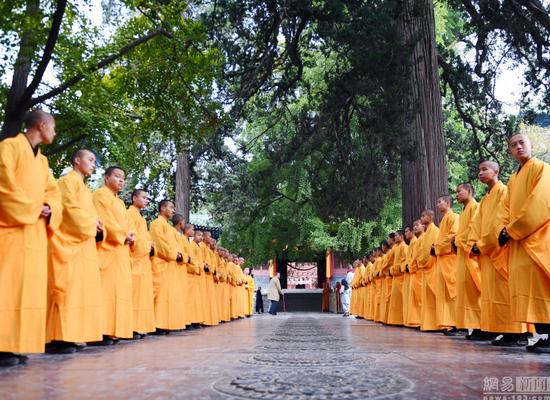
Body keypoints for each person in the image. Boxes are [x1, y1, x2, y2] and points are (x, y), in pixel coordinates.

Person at [0, 110, 62, 366]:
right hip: (12, 229)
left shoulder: (44, 162)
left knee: (30, 290)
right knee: (8, 286)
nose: (55, 133)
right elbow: (4, 183)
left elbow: (53, 192)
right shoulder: (10, 146)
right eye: (53, 127)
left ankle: (18, 343)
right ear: (41, 124)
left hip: (35, 232)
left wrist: (48, 206)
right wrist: (32, 207)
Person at [46, 149, 103, 353]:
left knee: (81, 292)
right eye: (90, 159)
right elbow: (69, 210)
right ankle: (59, 337)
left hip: (84, 245)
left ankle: (75, 334)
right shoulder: (67, 181)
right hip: (70, 242)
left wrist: (97, 224)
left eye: (94, 161)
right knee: (66, 290)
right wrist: (90, 224)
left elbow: (90, 214)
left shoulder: (85, 189)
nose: (93, 164)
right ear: (77, 160)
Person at [501, 134, 550, 353]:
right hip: (519, 241)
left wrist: (513, 229)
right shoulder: (513, 180)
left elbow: (540, 203)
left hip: (538, 236)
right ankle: (545, 335)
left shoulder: (542, 168)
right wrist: (504, 230)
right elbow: (505, 209)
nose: (518, 147)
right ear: (510, 152)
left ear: (531, 145)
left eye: (522, 143)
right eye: (513, 145)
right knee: (530, 289)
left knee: (543, 286)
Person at [471, 161, 529, 347]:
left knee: (505, 291)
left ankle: (518, 333)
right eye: (479, 169)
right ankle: (501, 329)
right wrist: (476, 243)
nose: (481, 172)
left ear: (496, 171)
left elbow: (500, 222)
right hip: (487, 250)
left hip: (500, 248)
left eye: (485, 169)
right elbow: (477, 226)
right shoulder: (485, 199)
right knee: (493, 293)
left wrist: (484, 243)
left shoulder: (503, 191)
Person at [92, 166, 134, 343]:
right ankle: (100, 331)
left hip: (121, 251)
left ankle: (113, 330)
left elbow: (128, 224)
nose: (121, 180)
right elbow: (105, 220)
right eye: (117, 176)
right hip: (108, 249)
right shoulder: (100, 195)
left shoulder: (120, 202)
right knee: (106, 291)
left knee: (119, 292)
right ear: (106, 178)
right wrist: (123, 235)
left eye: (123, 178)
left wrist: (131, 235)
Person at [149, 202, 187, 333]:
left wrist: (179, 255)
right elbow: (160, 243)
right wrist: (174, 255)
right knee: (159, 295)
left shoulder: (168, 227)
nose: (172, 210)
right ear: (162, 208)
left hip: (170, 263)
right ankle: (156, 324)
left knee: (167, 296)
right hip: (161, 262)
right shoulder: (156, 224)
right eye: (170, 207)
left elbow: (173, 245)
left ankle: (164, 323)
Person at [453, 183, 484, 340]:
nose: (456, 195)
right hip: (463, 256)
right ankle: (473, 326)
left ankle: (481, 326)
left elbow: (474, 228)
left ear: (470, 191)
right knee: (467, 293)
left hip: (471, 254)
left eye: (459, 191)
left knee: (475, 291)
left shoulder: (475, 207)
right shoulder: (464, 211)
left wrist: (458, 240)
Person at [127, 189, 156, 338]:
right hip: (136, 258)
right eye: (143, 197)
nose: (146, 200)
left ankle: (140, 327)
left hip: (143, 260)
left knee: (143, 296)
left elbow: (146, 237)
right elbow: (133, 236)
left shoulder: (141, 218)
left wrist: (150, 246)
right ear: (134, 198)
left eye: (147, 198)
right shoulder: (130, 213)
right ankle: (131, 327)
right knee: (135, 295)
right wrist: (146, 246)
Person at [434, 194, 459, 335]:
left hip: (450, 260)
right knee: (445, 294)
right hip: (443, 260)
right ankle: (449, 323)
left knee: (453, 293)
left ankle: (457, 324)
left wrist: (437, 247)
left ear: (448, 203)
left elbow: (453, 237)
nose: (438, 204)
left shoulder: (454, 217)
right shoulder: (443, 220)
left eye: (440, 201)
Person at [418, 210, 440, 331]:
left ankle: (437, 324)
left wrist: (426, 262)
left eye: (423, 216)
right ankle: (429, 324)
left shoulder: (435, 231)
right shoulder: (426, 233)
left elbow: (433, 250)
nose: (421, 218)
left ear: (431, 217)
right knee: (427, 298)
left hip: (432, 267)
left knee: (434, 295)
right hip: (425, 268)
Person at [387, 230, 408, 326]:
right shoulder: (397, 247)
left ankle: (401, 320)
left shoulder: (404, 247)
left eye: (396, 236)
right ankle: (396, 321)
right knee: (395, 300)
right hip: (395, 276)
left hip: (400, 276)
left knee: (400, 300)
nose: (395, 238)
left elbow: (404, 262)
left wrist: (395, 269)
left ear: (401, 236)